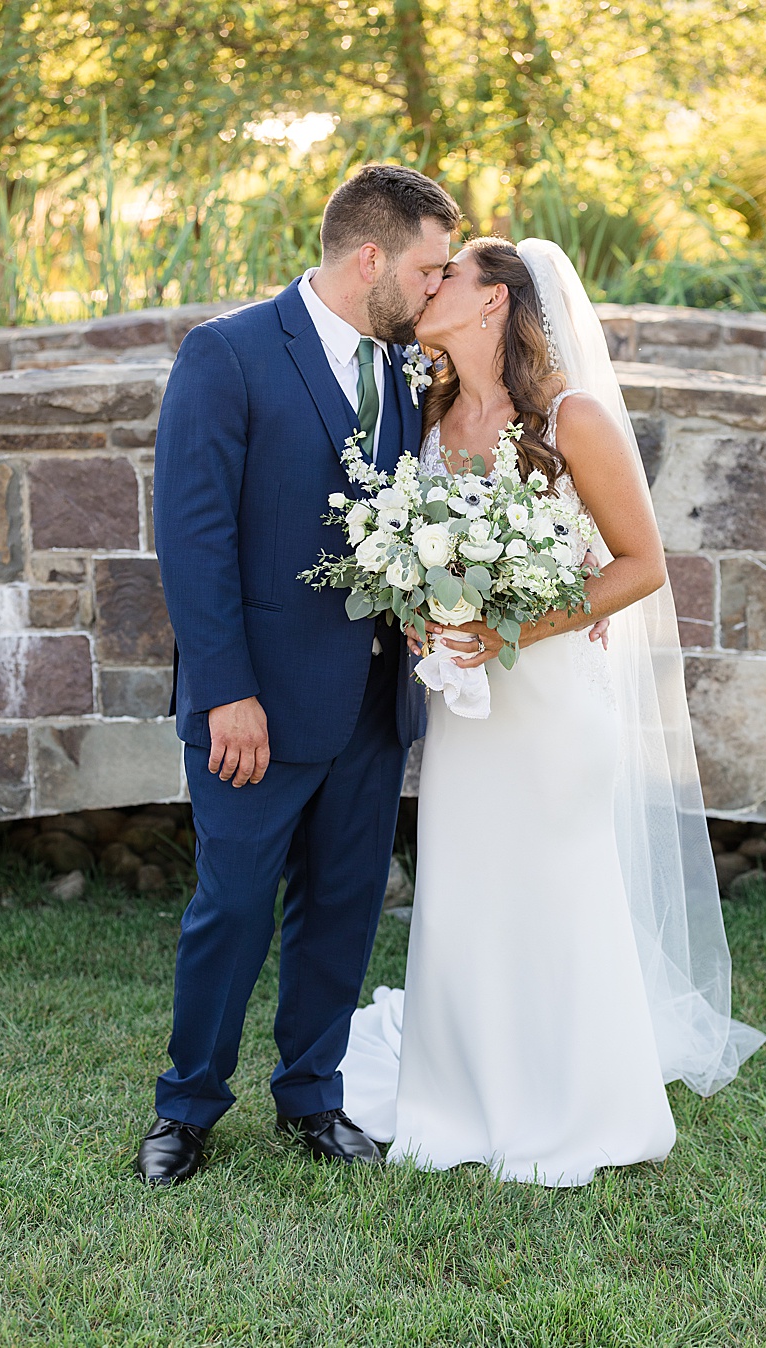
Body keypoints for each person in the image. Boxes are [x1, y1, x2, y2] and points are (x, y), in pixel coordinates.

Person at [335, 235, 765, 1186]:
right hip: (465, 706)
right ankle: (458, 1096)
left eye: (450, 276)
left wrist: (518, 628)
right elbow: (420, 547)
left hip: (554, 701)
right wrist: (422, 613)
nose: (430, 285)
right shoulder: (431, 410)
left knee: (558, 889)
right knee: (464, 890)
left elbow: (641, 566)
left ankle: (577, 1103)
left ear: (494, 303)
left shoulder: (573, 419)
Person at [140, 164, 459, 1185]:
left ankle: (312, 1099)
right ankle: (186, 1110)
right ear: (370, 257)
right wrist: (228, 691)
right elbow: (192, 540)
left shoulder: (408, 373)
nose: (434, 289)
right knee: (230, 908)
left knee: (345, 906)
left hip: (373, 705)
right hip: (257, 709)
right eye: (426, 268)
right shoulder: (226, 355)